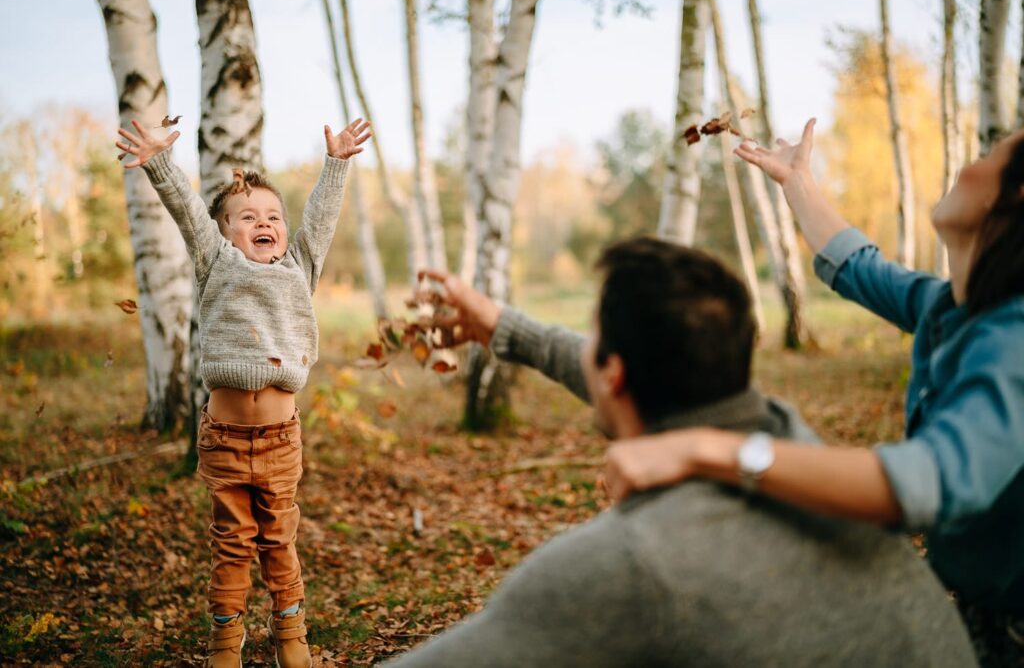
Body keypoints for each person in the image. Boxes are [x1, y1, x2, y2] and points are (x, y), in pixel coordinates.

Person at [381, 238, 975, 667]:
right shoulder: (783, 434)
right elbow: (624, 372)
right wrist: (502, 325)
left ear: (613, 373)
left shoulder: (633, 561)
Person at [603, 120, 1024, 664]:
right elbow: (858, 266)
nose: (970, 163)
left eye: (991, 157)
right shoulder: (954, 309)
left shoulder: (1014, 339)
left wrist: (711, 450)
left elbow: (928, 479)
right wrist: (796, 180)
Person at [116, 117, 371, 668]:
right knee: (231, 544)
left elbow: (321, 220)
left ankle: (290, 636)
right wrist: (160, 162)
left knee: (279, 541)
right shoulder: (217, 264)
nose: (265, 223)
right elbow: (187, 212)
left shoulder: (299, 269)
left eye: (274, 217)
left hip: (281, 440)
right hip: (225, 439)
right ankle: (225, 645)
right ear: (225, 231)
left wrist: (337, 163)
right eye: (248, 217)